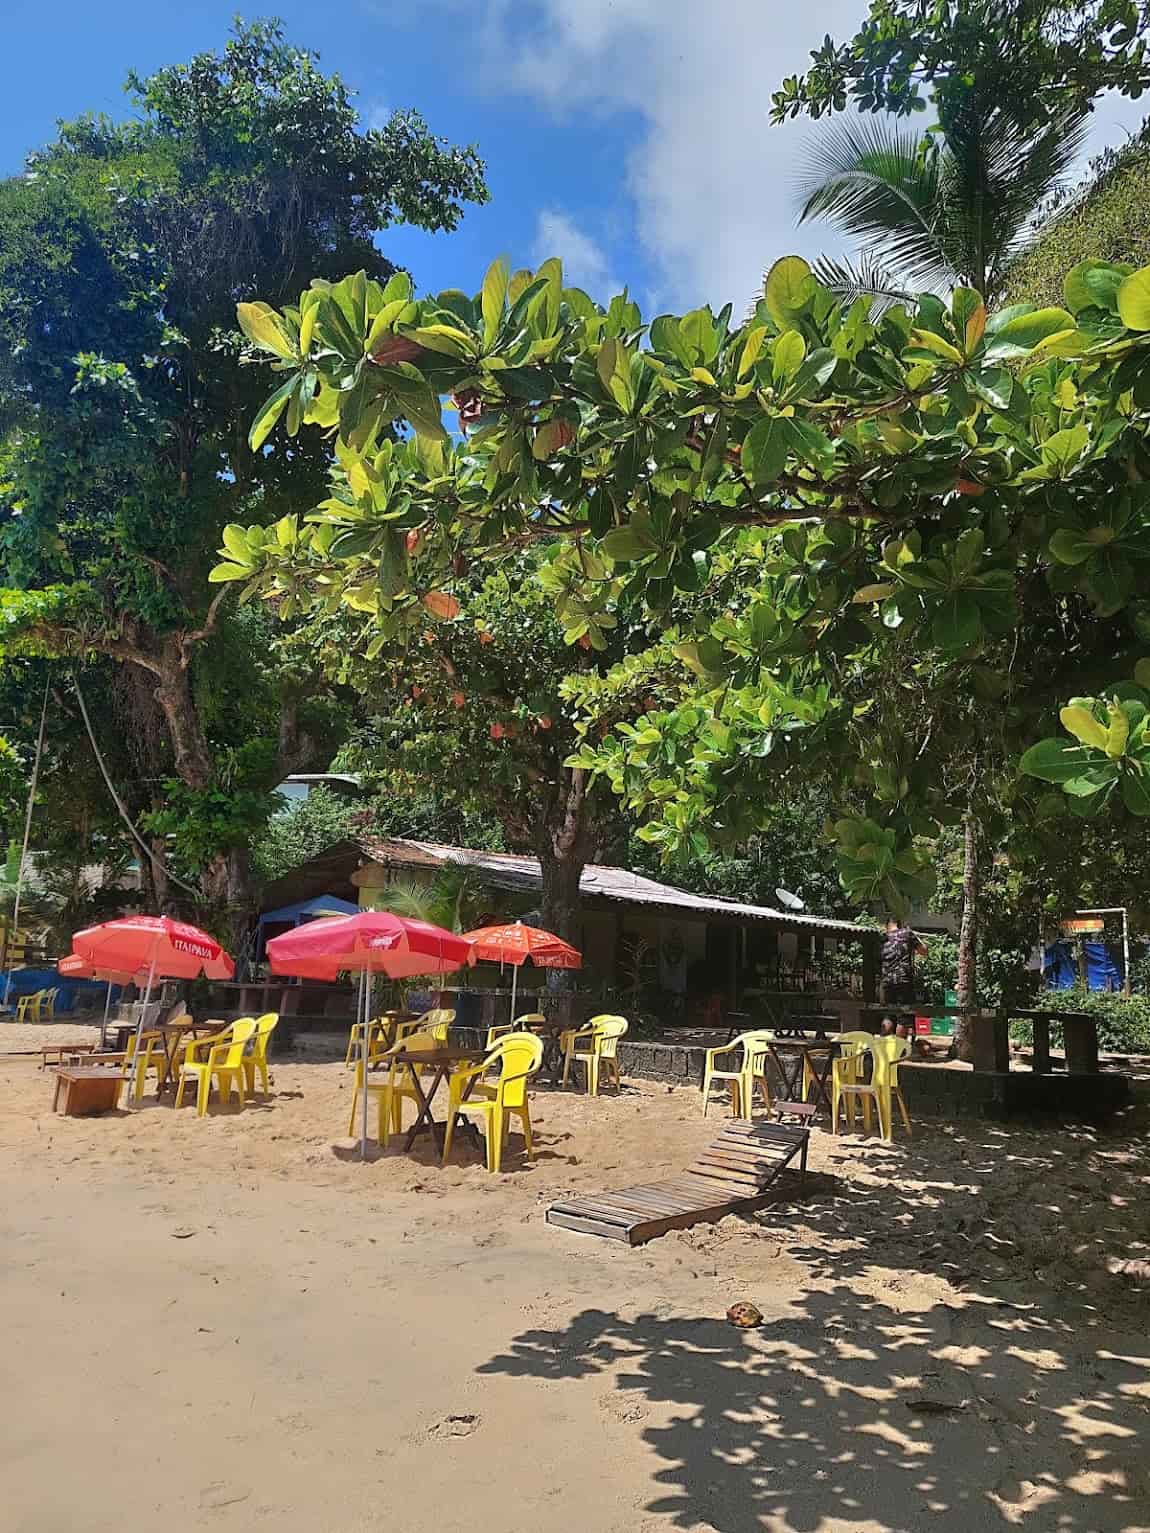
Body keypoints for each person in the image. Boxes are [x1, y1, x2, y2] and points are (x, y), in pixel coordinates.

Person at [880, 918, 925, 1007]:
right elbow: (924, 951)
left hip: (887, 981)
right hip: (904, 980)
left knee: (889, 1012)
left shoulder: (883, 938)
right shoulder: (907, 933)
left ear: (887, 926)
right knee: (906, 1012)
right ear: (899, 925)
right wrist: (916, 936)